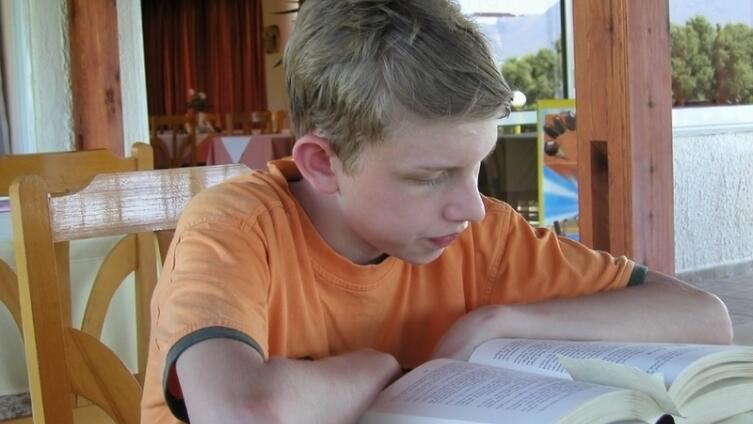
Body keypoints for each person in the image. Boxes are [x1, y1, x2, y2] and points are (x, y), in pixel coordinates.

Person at [140, 1, 733, 422]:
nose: (471, 206)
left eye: (476, 168)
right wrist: (385, 368)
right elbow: (245, 412)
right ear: (322, 164)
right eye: (429, 177)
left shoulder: (479, 237)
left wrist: (499, 323)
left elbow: (703, 318)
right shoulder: (235, 229)